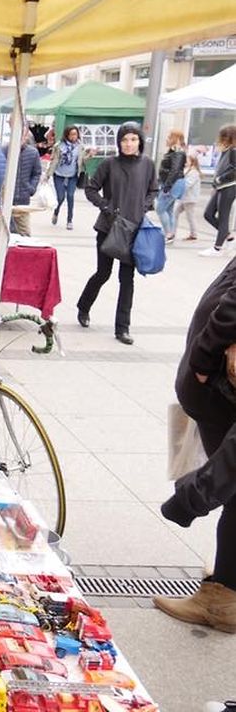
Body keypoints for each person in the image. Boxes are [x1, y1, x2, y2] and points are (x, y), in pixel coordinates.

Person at [153, 257, 236, 633]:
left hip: (216, 386)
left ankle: (222, 598)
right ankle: (227, 578)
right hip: (212, 388)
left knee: (232, 490)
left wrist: (202, 362)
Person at [75, 121, 158, 346]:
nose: (129, 144)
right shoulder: (109, 164)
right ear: (118, 142)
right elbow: (91, 189)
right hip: (108, 228)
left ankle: (123, 328)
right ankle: (83, 306)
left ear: (139, 141)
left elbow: (153, 190)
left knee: (127, 279)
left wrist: (143, 207)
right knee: (103, 273)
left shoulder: (148, 164)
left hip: (133, 231)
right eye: (124, 140)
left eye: (133, 139)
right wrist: (106, 206)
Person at [201, 125, 236, 257]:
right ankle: (228, 237)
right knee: (208, 214)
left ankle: (217, 248)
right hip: (221, 186)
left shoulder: (234, 150)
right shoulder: (227, 150)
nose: (221, 139)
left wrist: (220, 179)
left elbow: (234, 170)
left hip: (229, 186)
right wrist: (216, 183)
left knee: (223, 218)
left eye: (223, 136)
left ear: (229, 137)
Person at [47, 125, 87, 231]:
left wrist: (90, 155)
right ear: (67, 135)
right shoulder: (59, 145)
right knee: (60, 197)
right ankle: (56, 212)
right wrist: (48, 175)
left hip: (72, 175)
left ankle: (69, 220)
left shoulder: (80, 146)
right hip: (59, 174)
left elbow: (82, 160)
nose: (74, 136)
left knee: (70, 196)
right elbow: (54, 160)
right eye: (71, 134)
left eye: (76, 134)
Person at [156, 130, 187, 244]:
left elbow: (175, 170)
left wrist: (167, 186)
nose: (167, 139)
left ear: (175, 138)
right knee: (168, 210)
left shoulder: (178, 152)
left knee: (160, 209)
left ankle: (169, 234)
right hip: (173, 183)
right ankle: (171, 234)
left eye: (169, 137)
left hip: (173, 183)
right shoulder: (175, 151)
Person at [11, 127, 43, 236]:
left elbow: (37, 172)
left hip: (23, 200)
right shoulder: (4, 150)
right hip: (6, 200)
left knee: (25, 233)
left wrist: (31, 188)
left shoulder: (33, 153)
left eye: (23, 136)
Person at [175, 152, 203, 241]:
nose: (185, 162)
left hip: (189, 199)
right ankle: (172, 232)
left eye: (187, 160)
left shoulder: (194, 172)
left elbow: (187, 184)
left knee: (190, 216)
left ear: (192, 161)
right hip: (185, 198)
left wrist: (178, 186)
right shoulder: (188, 170)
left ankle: (193, 234)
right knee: (175, 213)